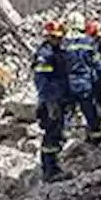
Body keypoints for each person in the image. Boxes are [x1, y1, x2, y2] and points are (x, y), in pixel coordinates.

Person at [32, 20, 71, 182]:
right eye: (55, 37)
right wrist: (50, 102)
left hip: (58, 99)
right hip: (50, 101)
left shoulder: (56, 51)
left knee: (56, 134)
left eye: (59, 37)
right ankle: (50, 170)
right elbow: (42, 81)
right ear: (48, 37)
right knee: (52, 135)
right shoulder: (45, 54)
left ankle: (52, 167)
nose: (58, 40)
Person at [63, 11, 101, 145]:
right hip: (84, 84)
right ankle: (96, 139)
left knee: (66, 113)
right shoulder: (88, 42)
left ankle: (62, 140)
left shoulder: (63, 43)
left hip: (67, 84)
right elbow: (96, 63)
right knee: (90, 113)